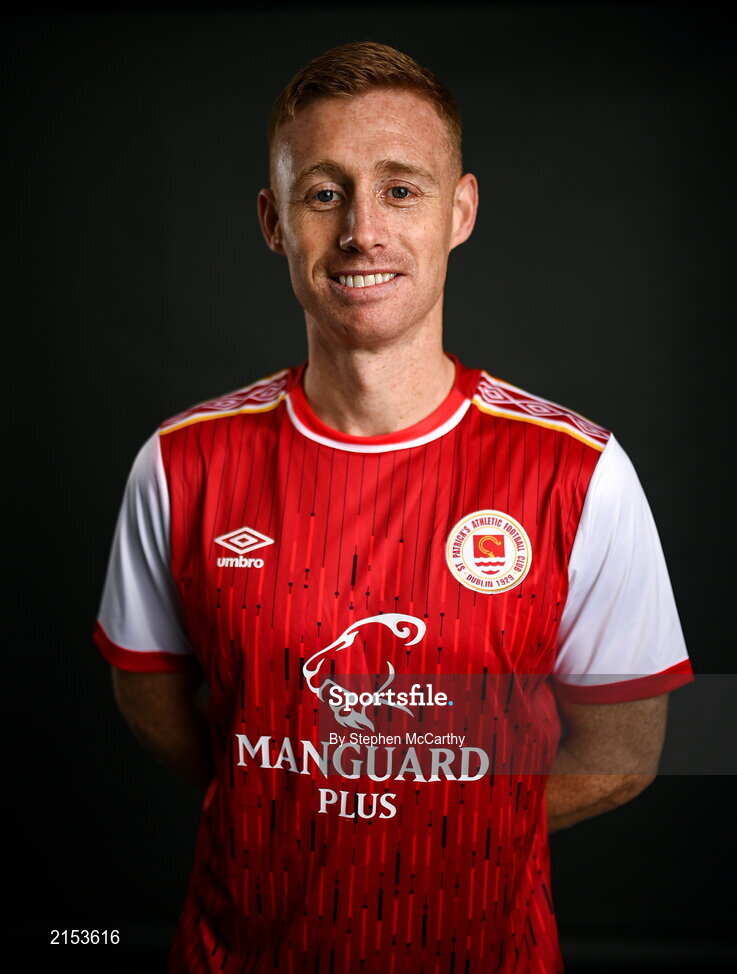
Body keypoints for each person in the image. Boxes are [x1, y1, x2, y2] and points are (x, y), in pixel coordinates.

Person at [93, 41, 694, 974]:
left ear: (460, 212)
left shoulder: (580, 471)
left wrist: (439, 825)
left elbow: (624, 749)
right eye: (323, 192)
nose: (362, 231)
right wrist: (282, 801)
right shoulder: (179, 463)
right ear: (273, 221)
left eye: (401, 190)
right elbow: (148, 694)